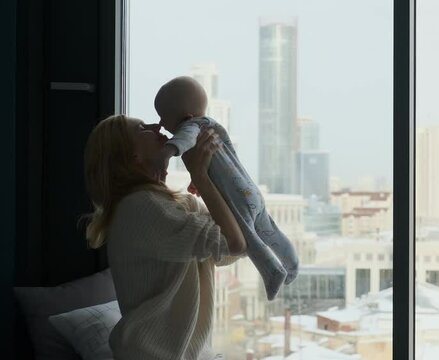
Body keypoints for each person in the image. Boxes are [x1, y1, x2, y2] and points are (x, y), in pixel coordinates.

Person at [84, 114, 246, 359]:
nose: (157, 125)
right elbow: (234, 244)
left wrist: (211, 180)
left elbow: (232, 251)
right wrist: (201, 176)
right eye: (142, 128)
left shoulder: (177, 204)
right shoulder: (140, 207)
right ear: (133, 155)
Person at [153, 76, 298, 301]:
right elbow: (219, 166)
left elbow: (184, 138)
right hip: (250, 191)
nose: (161, 124)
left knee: (251, 238)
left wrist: (166, 154)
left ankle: (272, 272)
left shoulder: (192, 127)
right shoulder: (212, 127)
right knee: (269, 229)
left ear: (186, 117)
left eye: (163, 117)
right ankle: (291, 262)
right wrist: (200, 178)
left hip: (237, 198)